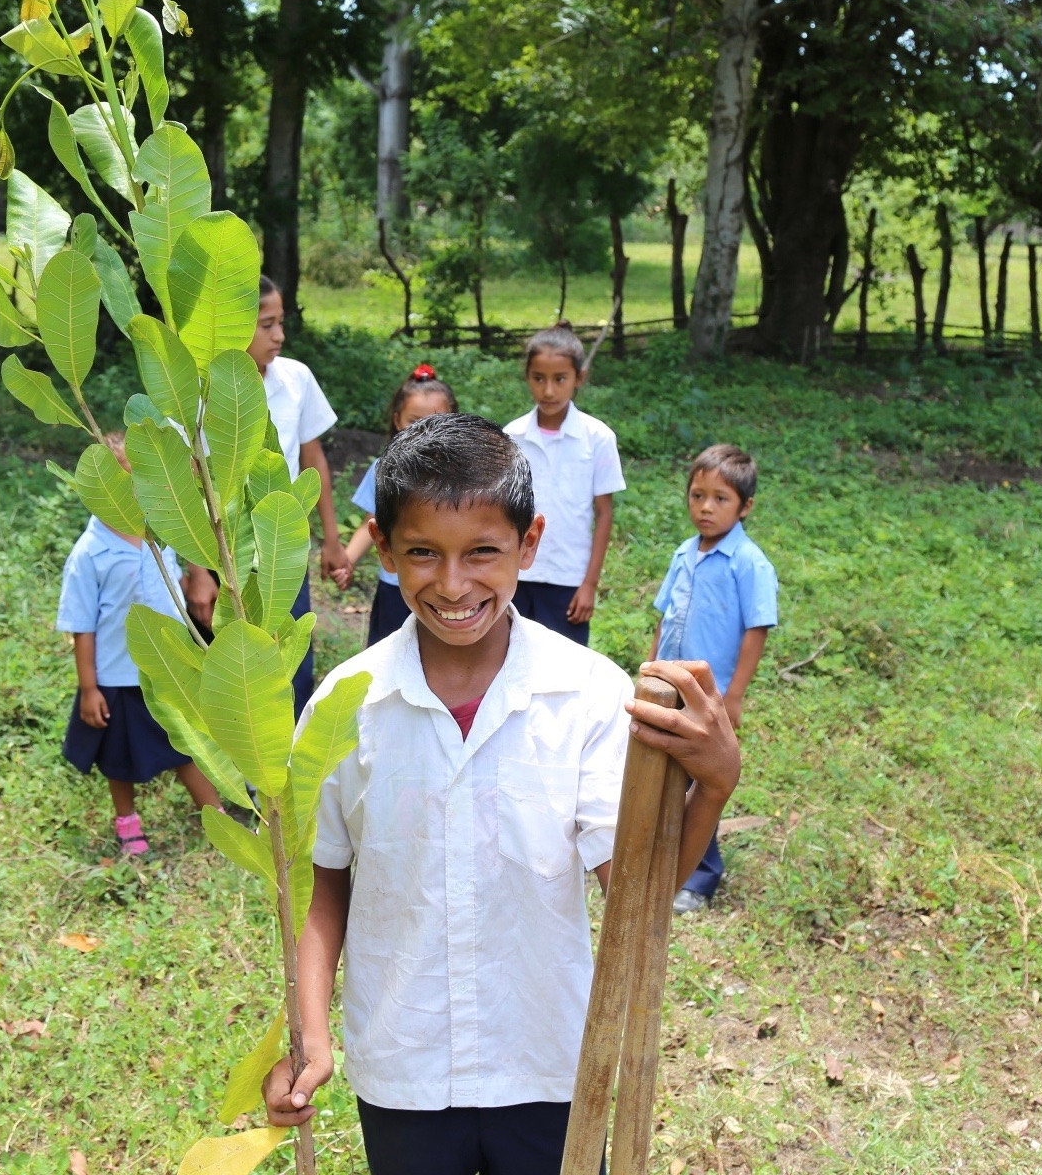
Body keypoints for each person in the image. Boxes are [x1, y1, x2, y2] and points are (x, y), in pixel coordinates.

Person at [263, 413, 742, 1175]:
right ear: (382, 549)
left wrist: (713, 787)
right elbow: (325, 887)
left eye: (482, 552)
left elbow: (634, 900)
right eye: (422, 553)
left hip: (547, 1062)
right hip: (403, 1063)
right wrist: (310, 1036)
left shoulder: (588, 696)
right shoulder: (342, 704)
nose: (453, 584)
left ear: (529, 542)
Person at [183, 275, 349, 715]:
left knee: (289, 657)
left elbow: (314, 461)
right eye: (267, 324)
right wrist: (198, 570)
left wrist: (331, 540)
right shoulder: (198, 398)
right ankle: (243, 769)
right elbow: (187, 485)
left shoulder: (296, 379)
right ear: (236, 327)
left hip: (280, 548)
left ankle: (285, 766)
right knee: (230, 667)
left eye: (280, 323)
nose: (279, 336)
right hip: (223, 551)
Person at [56, 432, 220, 856]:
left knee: (186, 745)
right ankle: (127, 819)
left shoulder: (161, 533)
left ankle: (217, 817)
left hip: (167, 667)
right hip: (119, 675)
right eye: (128, 481)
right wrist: (89, 688)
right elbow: (82, 628)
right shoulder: (90, 554)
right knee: (118, 757)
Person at [650, 443, 778, 914]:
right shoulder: (684, 553)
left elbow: (756, 629)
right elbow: (664, 618)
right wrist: (649, 670)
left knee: (699, 780)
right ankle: (662, 856)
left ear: (745, 507)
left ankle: (701, 877)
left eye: (720, 498)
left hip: (708, 695)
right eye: (697, 495)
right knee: (662, 773)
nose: (705, 507)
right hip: (667, 689)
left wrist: (735, 695)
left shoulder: (749, 563)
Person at [504, 323, 624, 646]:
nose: (548, 391)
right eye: (539, 378)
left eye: (560, 379)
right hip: (517, 574)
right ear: (527, 376)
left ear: (578, 378)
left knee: (564, 669)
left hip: (568, 579)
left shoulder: (598, 438)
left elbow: (604, 514)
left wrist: (589, 584)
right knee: (508, 659)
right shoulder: (511, 437)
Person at [340, 362, 458, 645]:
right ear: (397, 420)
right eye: (414, 421)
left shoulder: (463, 474)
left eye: (436, 420)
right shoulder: (385, 468)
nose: (426, 431)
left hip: (444, 588)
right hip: (396, 585)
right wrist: (347, 561)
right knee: (389, 656)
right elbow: (373, 520)